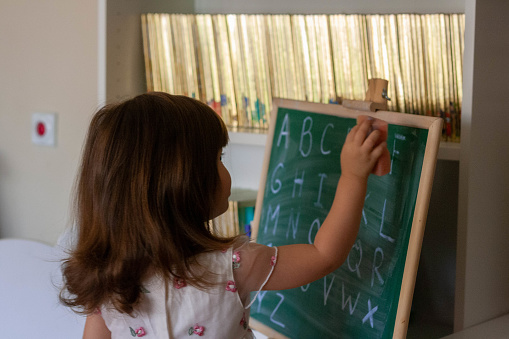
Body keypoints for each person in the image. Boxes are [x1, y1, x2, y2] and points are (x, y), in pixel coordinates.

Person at [60, 92, 388, 338]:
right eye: (218, 157)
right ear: (182, 182)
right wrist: (353, 176)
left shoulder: (107, 278)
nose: (224, 168)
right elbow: (324, 255)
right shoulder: (229, 267)